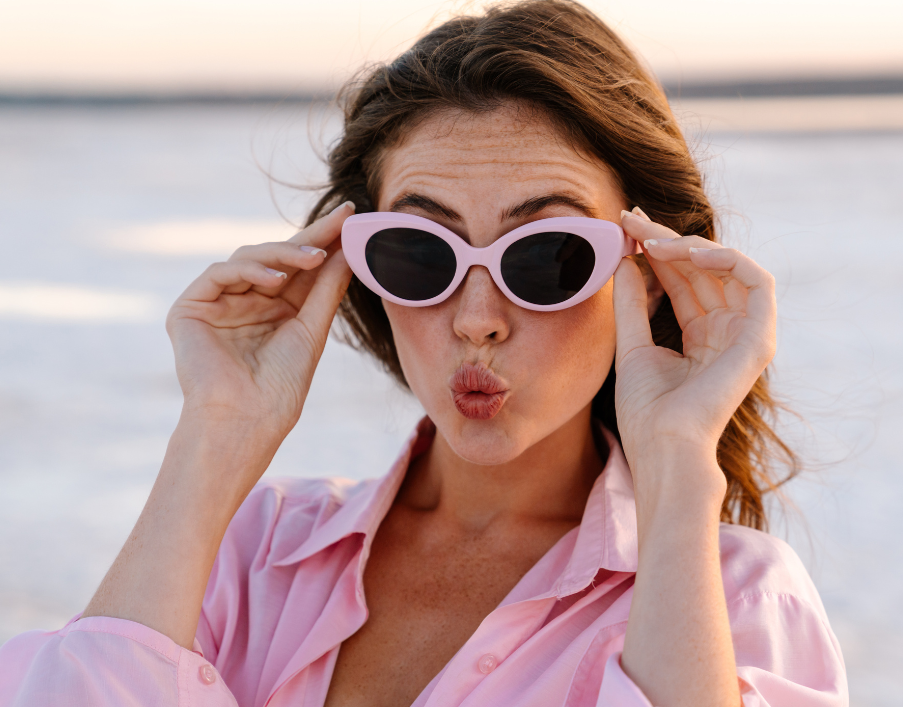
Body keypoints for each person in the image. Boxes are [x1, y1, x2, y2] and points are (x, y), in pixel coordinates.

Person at [0, 2, 848, 705]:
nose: (477, 319)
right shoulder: (252, 551)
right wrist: (215, 434)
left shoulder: (738, 598)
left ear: (652, 271)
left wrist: (675, 463)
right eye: (420, 254)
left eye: (547, 256)